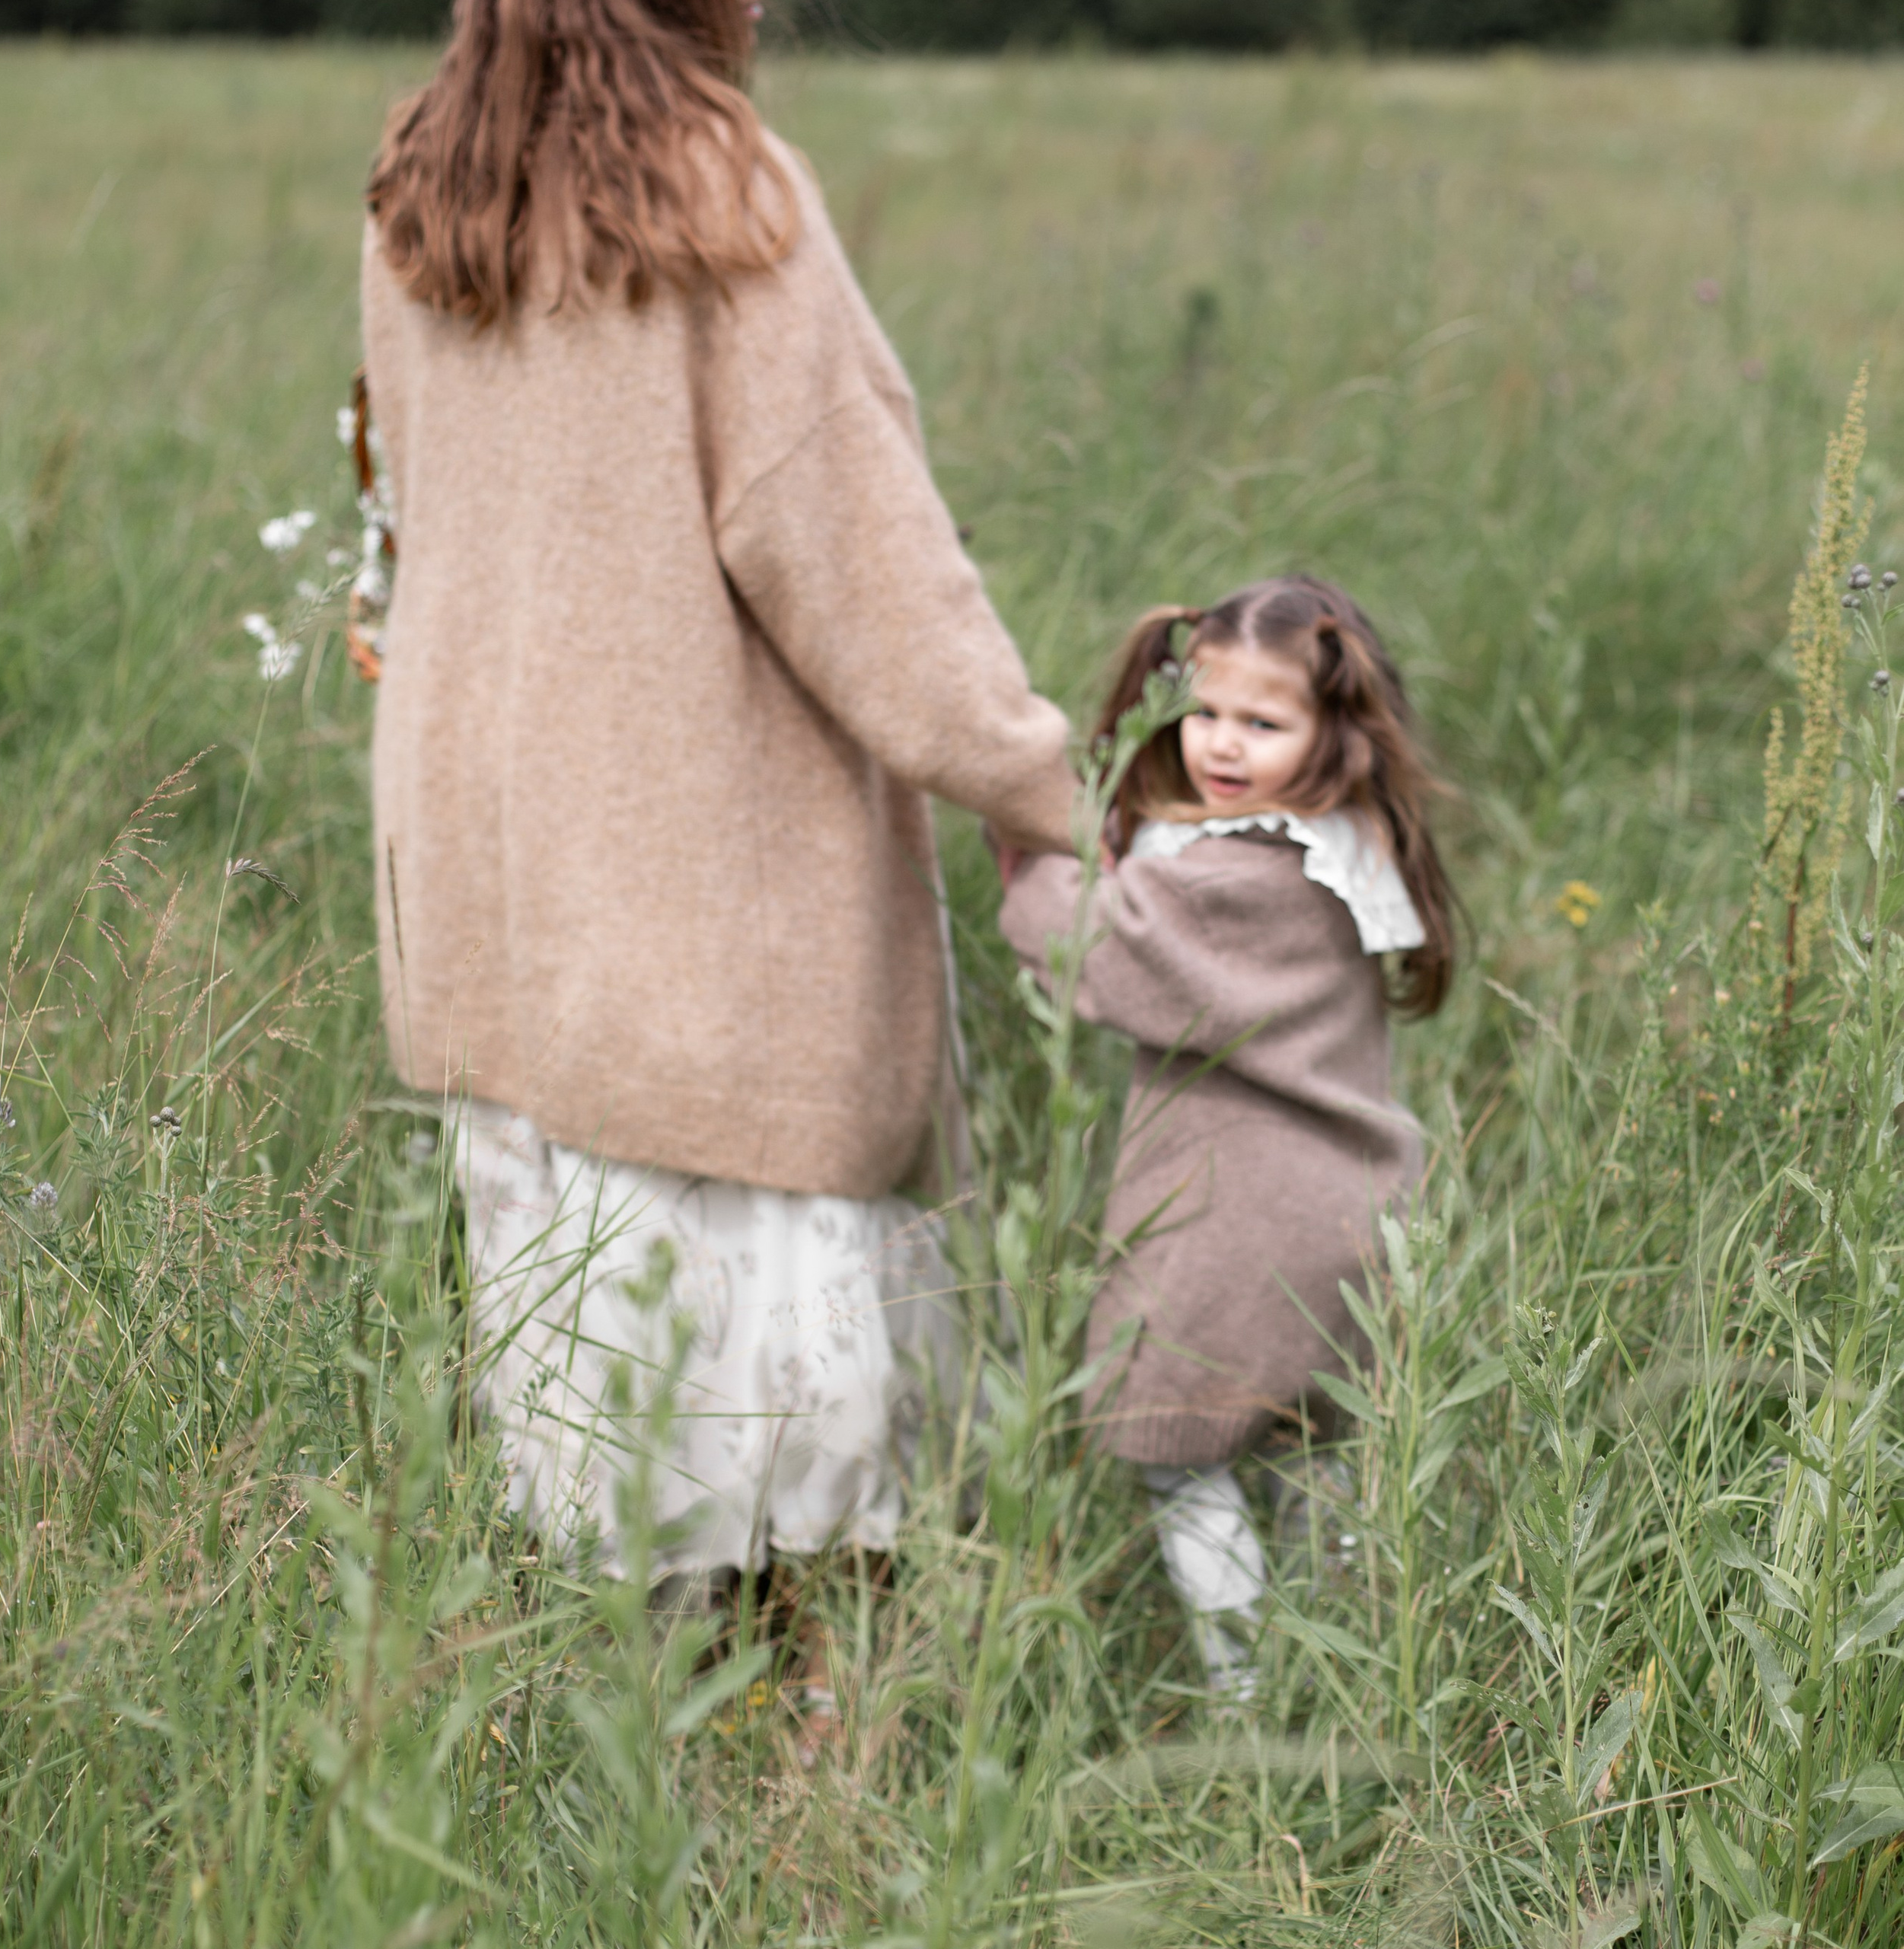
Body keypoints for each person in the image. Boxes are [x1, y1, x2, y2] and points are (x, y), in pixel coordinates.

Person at [358, 0, 1077, 1633]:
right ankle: (816, 1830)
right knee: (799, 1467)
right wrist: (1047, 781)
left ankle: (652, 1796)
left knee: (607, 1427)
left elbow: (406, 503)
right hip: (706, 901)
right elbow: (849, 551)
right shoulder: (722, 190)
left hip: (493, 883)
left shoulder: (422, 189)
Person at [996, 576, 1456, 1699]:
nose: (1223, 746)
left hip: (1236, 1222)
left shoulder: (1259, 874)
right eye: (1205, 713)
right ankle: (1350, 1676)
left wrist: (1032, 859)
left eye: (1264, 723)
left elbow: (1104, 945)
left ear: (1335, 734)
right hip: (1347, 1214)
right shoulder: (1337, 852)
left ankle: (1248, 1689)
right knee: (1323, 1463)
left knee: (1180, 1456)